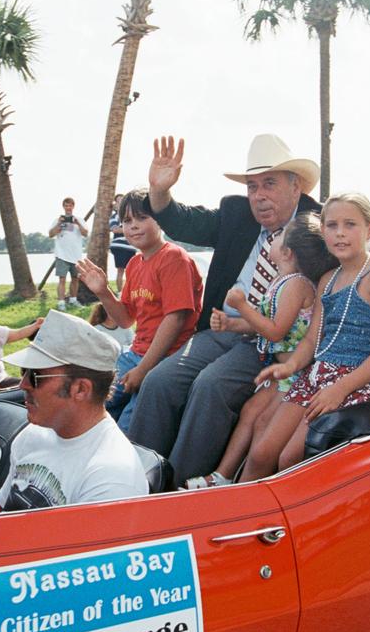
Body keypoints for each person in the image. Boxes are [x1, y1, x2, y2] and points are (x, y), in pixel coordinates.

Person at [127, 133, 322, 484]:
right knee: (158, 381)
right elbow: (184, 220)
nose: (258, 196)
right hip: (219, 329)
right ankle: (132, 479)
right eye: (252, 186)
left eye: (269, 184)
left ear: (296, 188)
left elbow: (364, 277)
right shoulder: (236, 214)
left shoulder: (319, 225)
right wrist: (159, 191)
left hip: (271, 343)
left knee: (211, 386)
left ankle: (178, 489)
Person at [241, 193, 370, 481]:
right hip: (317, 376)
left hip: (358, 381)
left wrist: (340, 388)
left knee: (290, 457)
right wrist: (290, 367)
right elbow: (311, 341)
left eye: (350, 224)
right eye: (331, 225)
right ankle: (238, 512)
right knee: (262, 453)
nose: (340, 233)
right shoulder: (328, 280)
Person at [184, 212, 334, 489]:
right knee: (251, 411)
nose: (272, 241)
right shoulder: (281, 281)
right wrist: (231, 323)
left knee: (263, 420)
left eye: (279, 238)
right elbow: (263, 323)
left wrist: (241, 307)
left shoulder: (296, 285)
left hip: (296, 372)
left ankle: (250, 484)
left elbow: (275, 330)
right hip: (282, 370)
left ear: (287, 252)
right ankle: (223, 475)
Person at [76, 189, 203, 432]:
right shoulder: (135, 263)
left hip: (165, 359)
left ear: (161, 220)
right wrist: (103, 291)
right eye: (127, 221)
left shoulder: (174, 258)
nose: (133, 226)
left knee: (128, 426)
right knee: (89, 409)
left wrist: (143, 369)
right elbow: (125, 319)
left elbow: (175, 319)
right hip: (135, 354)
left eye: (142, 217)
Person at [0, 310, 148, 511]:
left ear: (81, 389)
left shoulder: (111, 479)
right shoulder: (33, 434)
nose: (23, 385)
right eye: (24, 372)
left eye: (34, 376)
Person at [48, 197, 89, 310]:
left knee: (75, 279)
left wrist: (77, 223)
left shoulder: (79, 219)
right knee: (62, 279)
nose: (68, 207)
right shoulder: (58, 220)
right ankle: (61, 302)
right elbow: (51, 234)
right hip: (61, 255)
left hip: (76, 256)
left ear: (73, 206)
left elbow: (85, 233)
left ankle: (73, 300)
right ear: (63, 207)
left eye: (70, 205)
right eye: (66, 205)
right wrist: (60, 224)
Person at [108, 193, 137, 292]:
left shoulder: (132, 215)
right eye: (118, 201)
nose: (120, 203)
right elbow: (114, 229)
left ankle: (130, 291)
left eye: (122, 200)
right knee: (120, 270)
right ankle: (120, 293)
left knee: (132, 271)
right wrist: (130, 229)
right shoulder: (114, 216)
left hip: (131, 246)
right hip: (119, 246)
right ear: (115, 204)